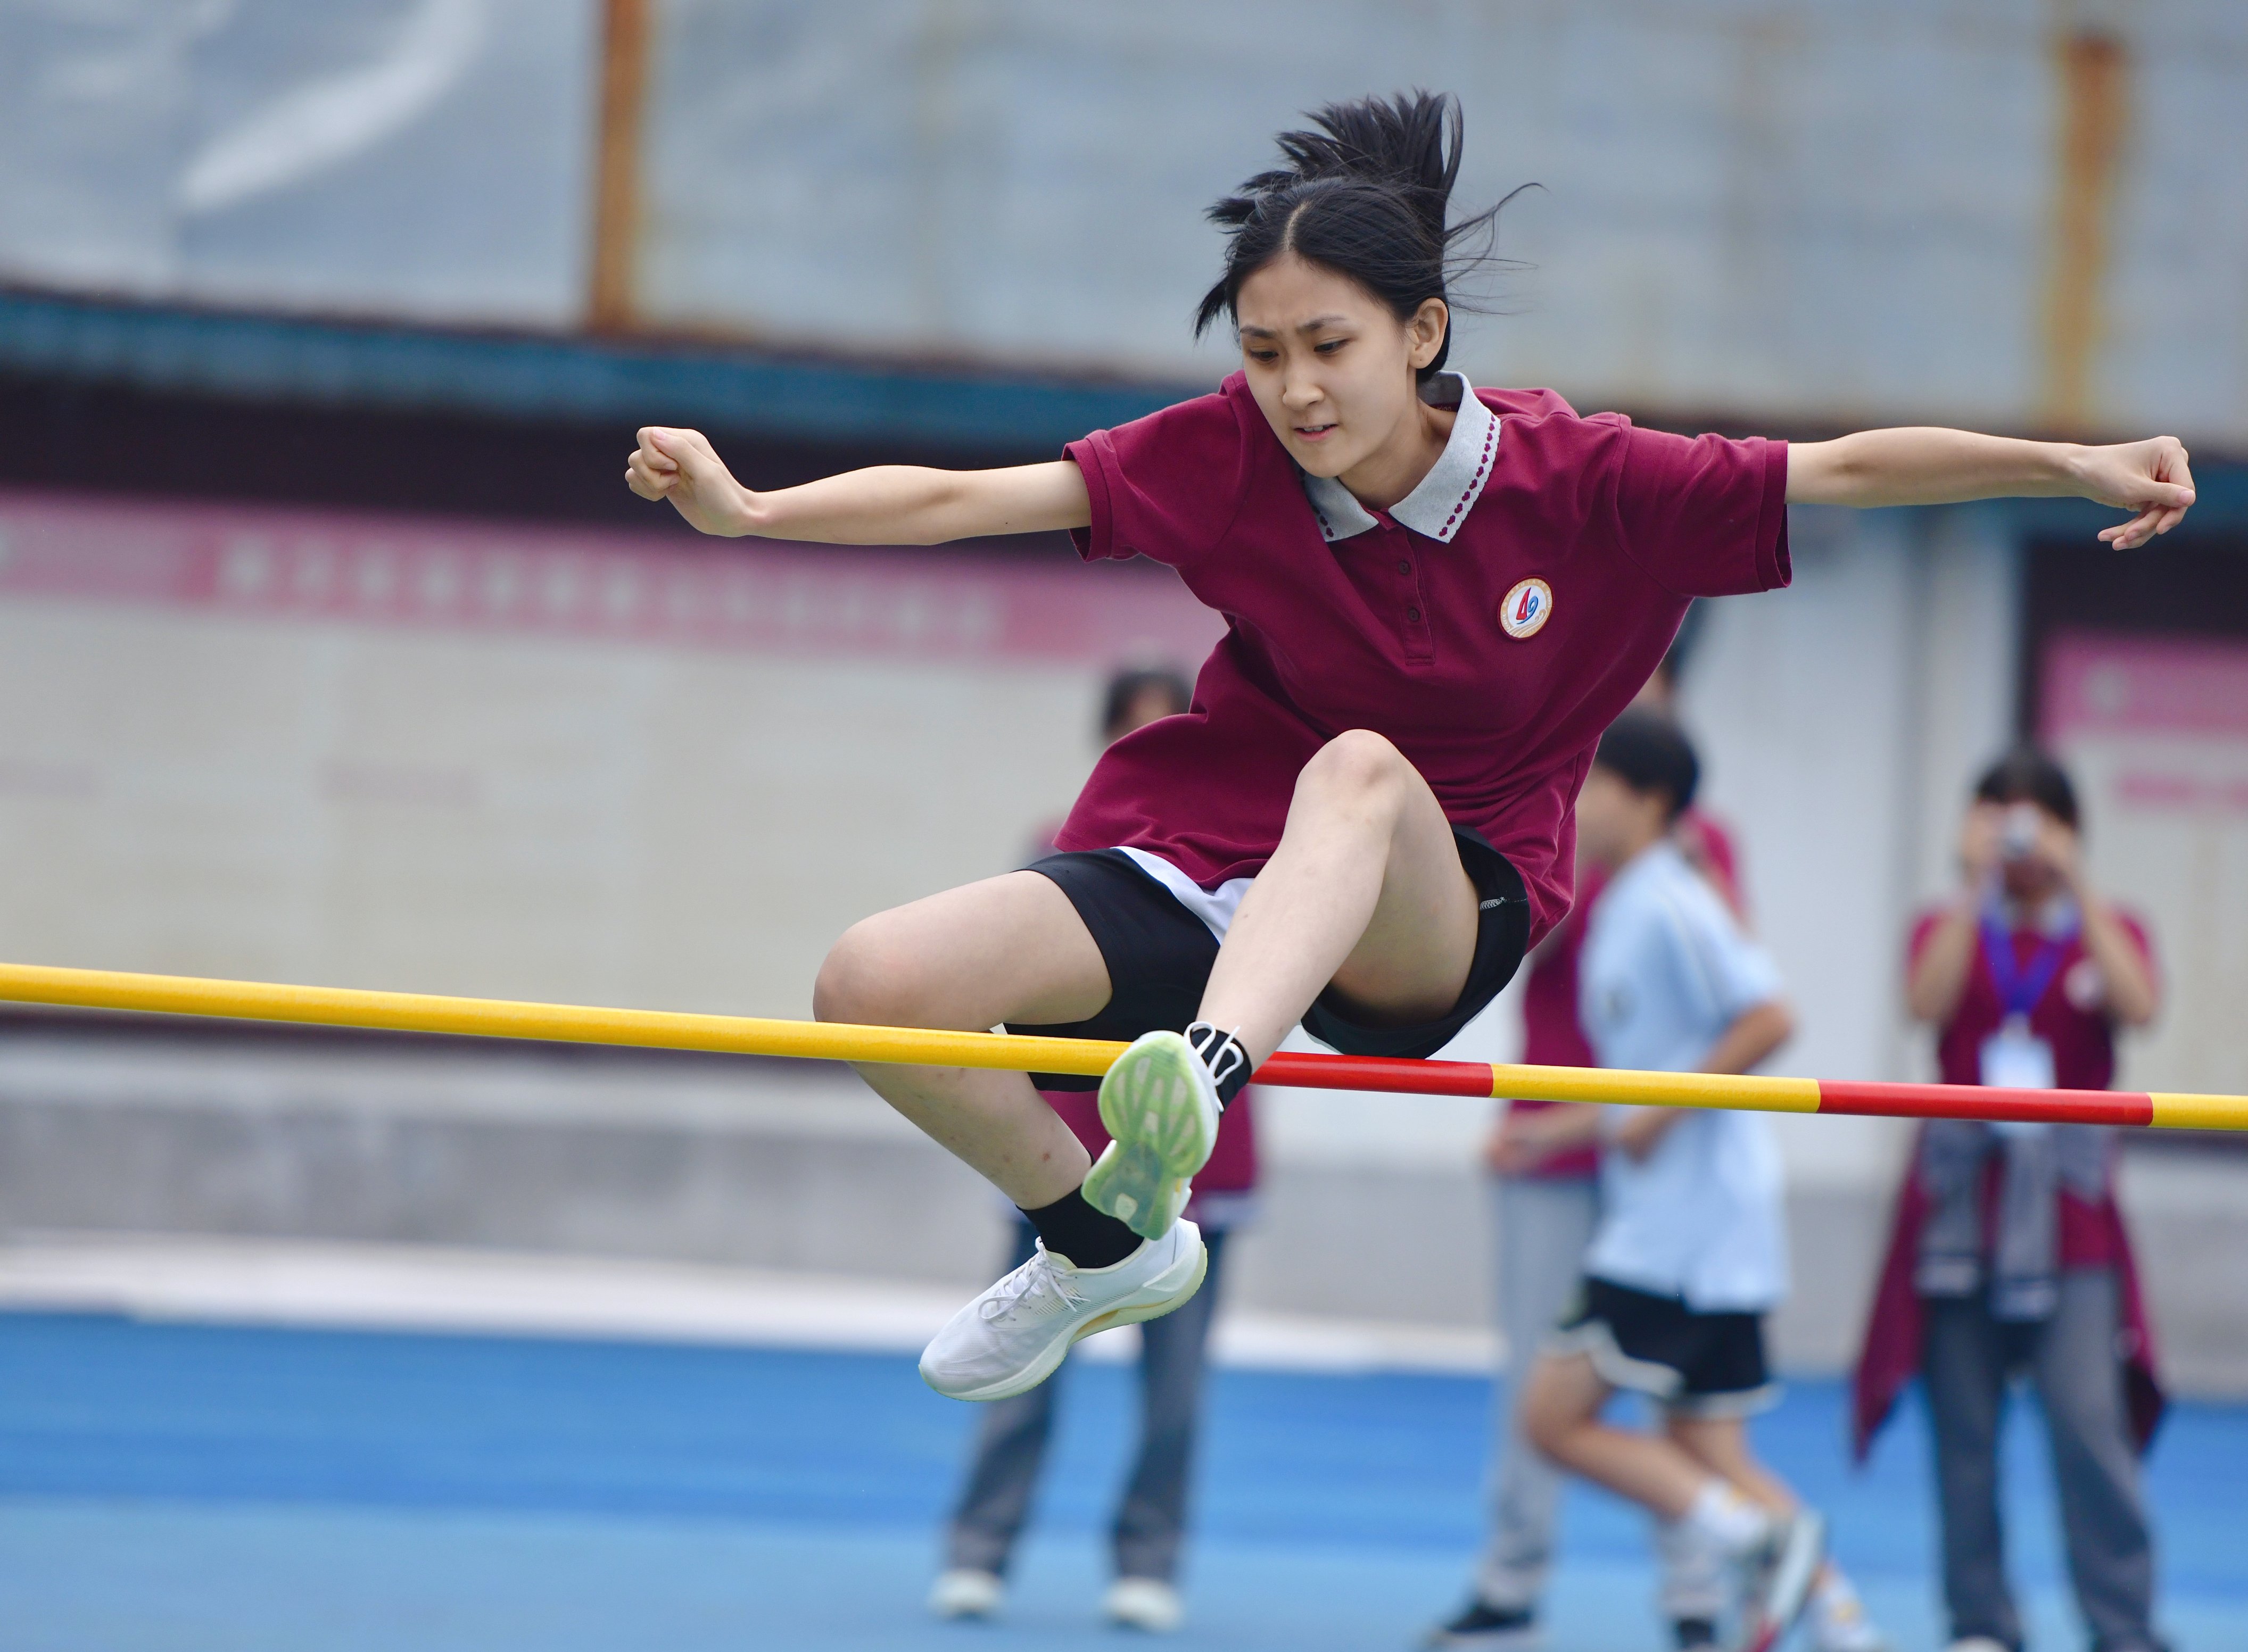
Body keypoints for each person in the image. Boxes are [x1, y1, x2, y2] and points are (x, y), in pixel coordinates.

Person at [624, 90, 2197, 1410]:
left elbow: (1842, 469)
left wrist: (2068, 461)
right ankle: (1102, 1242)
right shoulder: (1225, 453)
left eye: (1329, 344)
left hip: (1436, 906)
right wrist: (751, 508)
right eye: (1263, 352)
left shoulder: (1585, 480)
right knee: (873, 984)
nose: (1294, 387)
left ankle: (1200, 1083)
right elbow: (975, 497)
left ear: (1422, 330)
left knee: (1363, 769)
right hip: (1209, 857)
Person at [1508, 712, 1887, 1652]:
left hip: (1680, 1227)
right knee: (1708, 1450)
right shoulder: (1623, 901)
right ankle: (1844, 1622)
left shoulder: (1671, 901)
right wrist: (1554, 1129)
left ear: (1649, 801)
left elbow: (1770, 1016)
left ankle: (1751, 1539)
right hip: (1691, 1218)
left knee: (1549, 1419)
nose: (1576, 802)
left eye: (1593, 783)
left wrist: (1659, 1115)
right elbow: (1651, 1073)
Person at [930, 665, 1260, 1636]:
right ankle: (979, 1549)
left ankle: (1148, 1562)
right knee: (1019, 1361)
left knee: (1176, 1391)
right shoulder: (1061, 852)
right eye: (1134, 729)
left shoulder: (1259, 864)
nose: (1153, 744)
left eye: (1174, 726)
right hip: (1060, 1162)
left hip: (1198, 1167)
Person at [1431, 678, 1748, 1651]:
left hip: (1658, 1148)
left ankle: (1697, 1586)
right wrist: (1576, 846)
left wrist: (1676, 868)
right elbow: (1501, 947)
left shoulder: (1698, 841)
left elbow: (1742, 989)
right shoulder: (1542, 804)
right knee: (1538, 1369)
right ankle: (1512, 1577)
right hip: (1554, 1135)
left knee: (1668, 1375)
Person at [1852, 749, 2165, 1652]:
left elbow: (2142, 1006)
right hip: (1961, 1213)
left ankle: (2123, 1623)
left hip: (2072, 1221)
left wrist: (2080, 882)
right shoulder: (1946, 923)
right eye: (2002, 815)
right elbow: (1924, 1003)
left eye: (2039, 818)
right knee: (1964, 1432)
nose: (2022, 838)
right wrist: (1974, 883)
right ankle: (1981, 1622)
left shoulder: (2110, 927)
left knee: (2088, 1425)